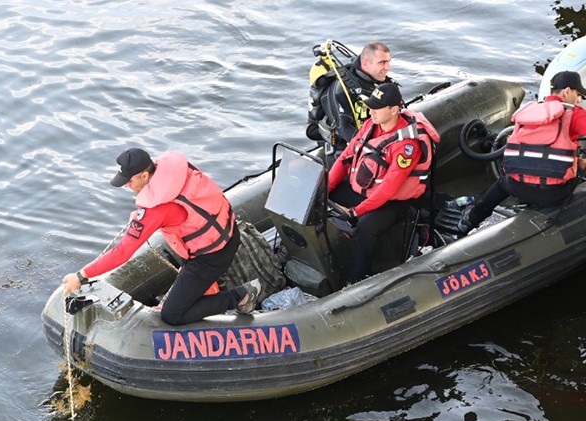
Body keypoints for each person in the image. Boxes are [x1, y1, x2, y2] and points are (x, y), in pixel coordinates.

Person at [61, 148, 262, 325]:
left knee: (172, 315)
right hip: (226, 233)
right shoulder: (178, 174)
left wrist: (81, 276)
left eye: (129, 181)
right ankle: (205, 292)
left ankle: (241, 296)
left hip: (210, 256)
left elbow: (122, 252)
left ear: (145, 175)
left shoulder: (155, 210)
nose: (127, 187)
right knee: (190, 284)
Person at [327, 82, 440, 284]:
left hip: (393, 202)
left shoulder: (407, 146)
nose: (371, 112)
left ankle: (357, 279)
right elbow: (346, 157)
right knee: (325, 200)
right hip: (365, 190)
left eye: (376, 108)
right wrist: (323, 190)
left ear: (394, 110)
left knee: (366, 228)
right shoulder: (372, 125)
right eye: (370, 107)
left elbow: (388, 189)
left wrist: (355, 211)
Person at [455, 70, 586, 237]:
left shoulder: (529, 111)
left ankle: (467, 222)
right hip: (555, 194)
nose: (579, 100)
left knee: (503, 183)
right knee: (578, 170)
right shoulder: (574, 114)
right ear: (567, 91)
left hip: (518, 187)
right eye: (578, 94)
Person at [306, 41, 396, 153]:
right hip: (339, 146)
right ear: (365, 64)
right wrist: (377, 148)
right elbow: (344, 129)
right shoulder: (341, 89)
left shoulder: (375, 81)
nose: (388, 68)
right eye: (382, 62)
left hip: (367, 133)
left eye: (388, 62)